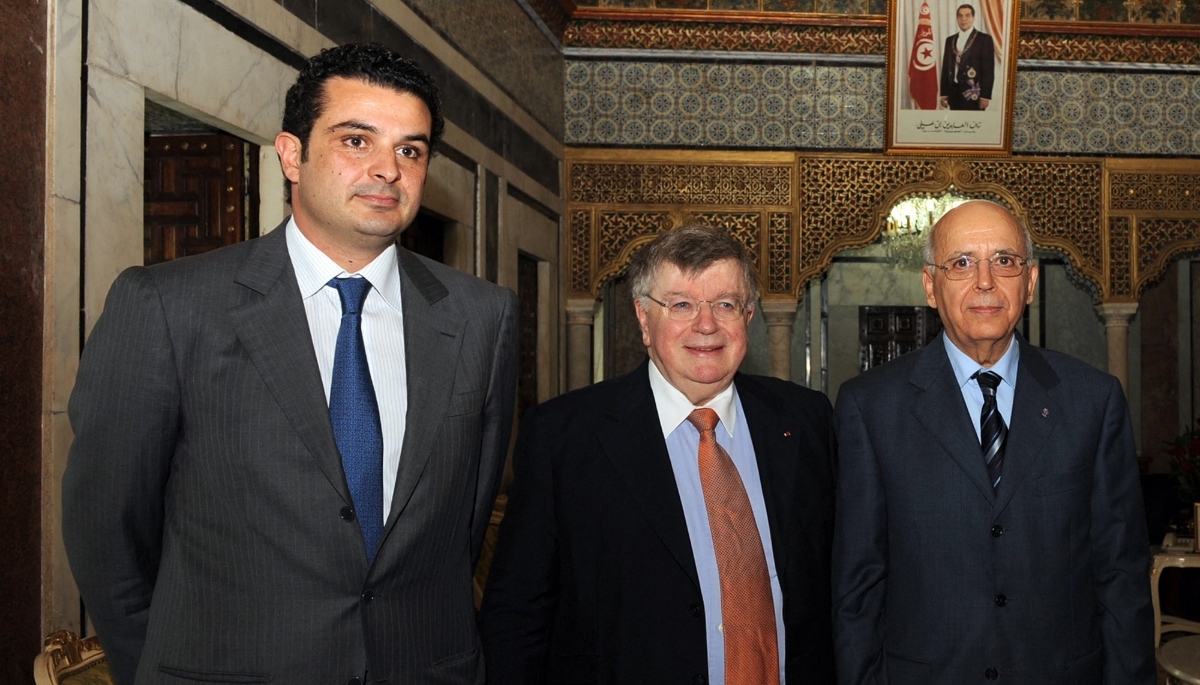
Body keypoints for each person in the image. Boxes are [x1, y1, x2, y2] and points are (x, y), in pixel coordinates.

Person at [63, 43, 518, 685]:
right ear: (291, 155)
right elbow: (107, 532)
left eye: (410, 150)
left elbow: (462, 526)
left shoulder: (481, 317)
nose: (388, 169)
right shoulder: (169, 307)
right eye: (357, 141)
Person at [480, 225, 837, 684]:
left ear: (748, 317)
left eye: (725, 304)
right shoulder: (566, 436)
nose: (705, 325)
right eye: (682, 305)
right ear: (644, 319)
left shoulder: (806, 420)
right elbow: (517, 615)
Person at [832, 200, 1155, 684]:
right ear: (929, 286)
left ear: (1029, 284)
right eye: (961, 263)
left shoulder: (1093, 400)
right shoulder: (871, 408)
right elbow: (858, 588)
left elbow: (1122, 576)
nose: (985, 280)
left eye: (1004, 261)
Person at [939, 4, 995, 110]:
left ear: (973, 18)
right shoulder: (950, 40)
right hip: (954, 92)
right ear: (957, 18)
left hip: (973, 93)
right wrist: (944, 93)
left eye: (967, 15)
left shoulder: (984, 39)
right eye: (960, 16)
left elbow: (988, 70)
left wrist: (985, 96)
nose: (963, 19)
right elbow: (946, 68)